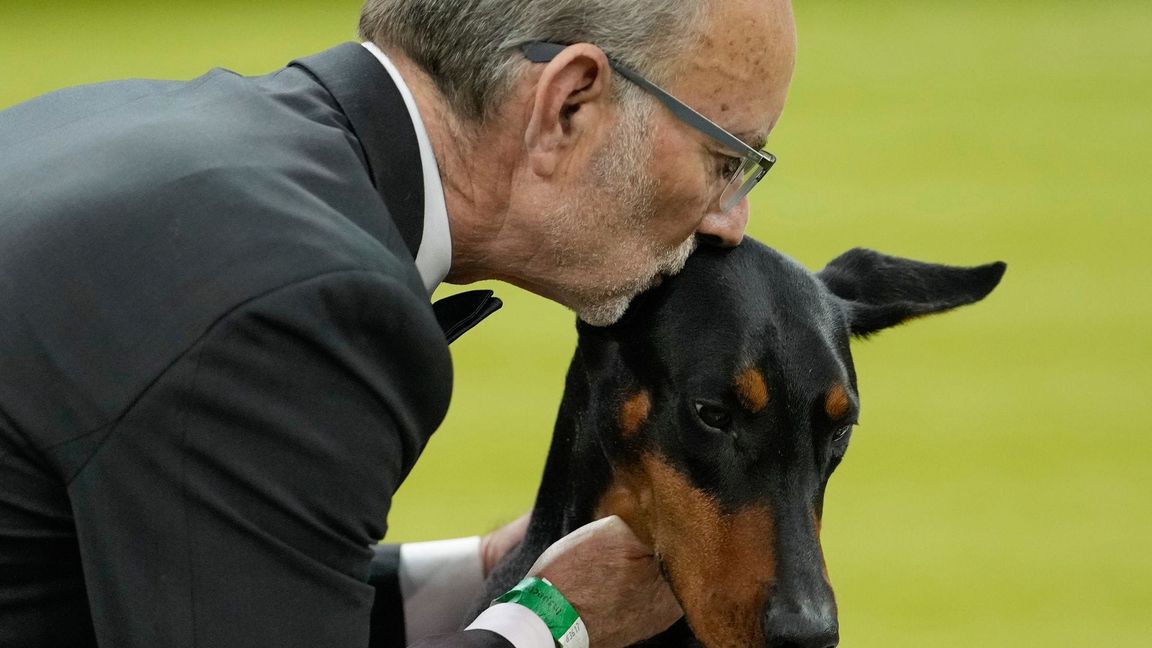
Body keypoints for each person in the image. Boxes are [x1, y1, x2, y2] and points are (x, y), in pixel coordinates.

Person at [0, 0, 797, 646]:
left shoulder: (135, 126)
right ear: (569, 103)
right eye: (725, 160)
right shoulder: (300, 300)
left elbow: (214, 571)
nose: (732, 219)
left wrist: (493, 569)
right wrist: (554, 620)